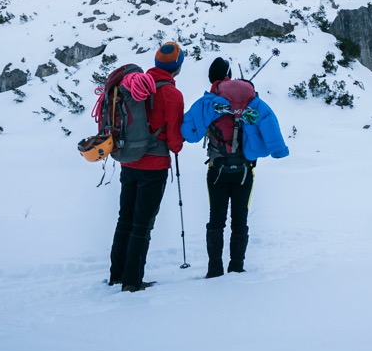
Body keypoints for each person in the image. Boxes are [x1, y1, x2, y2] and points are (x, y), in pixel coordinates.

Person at [181, 57, 289, 277]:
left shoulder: (209, 102)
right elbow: (271, 128)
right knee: (240, 219)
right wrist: (279, 150)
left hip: (217, 169)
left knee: (216, 219)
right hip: (245, 170)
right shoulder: (252, 100)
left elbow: (189, 133)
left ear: (213, 78)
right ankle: (237, 266)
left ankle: (214, 269)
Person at [108, 41, 185, 292]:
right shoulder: (172, 94)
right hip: (154, 168)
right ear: (178, 67)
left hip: (129, 161)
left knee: (125, 220)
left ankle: (117, 275)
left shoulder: (132, 86)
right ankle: (132, 282)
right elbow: (174, 142)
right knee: (142, 225)